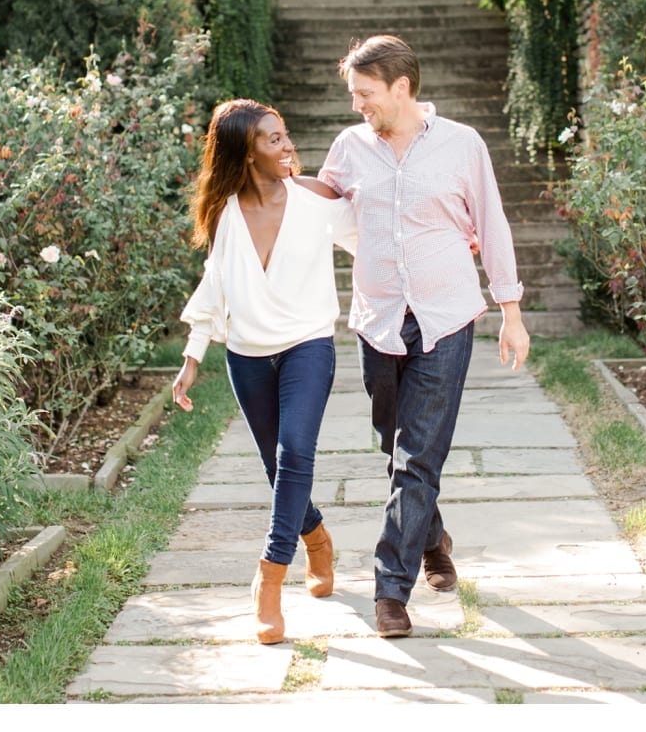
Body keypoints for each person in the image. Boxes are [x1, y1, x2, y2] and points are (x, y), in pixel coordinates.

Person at [319, 35, 530, 639]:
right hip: (378, 317)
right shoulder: (351, 146)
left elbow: (491, 224)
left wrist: (510, 311)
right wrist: (272, 183)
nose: (358, 105)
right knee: (394, 444)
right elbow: (325, 206)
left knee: (418, 455)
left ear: (401, 88)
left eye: (366, 94)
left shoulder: (462, 144)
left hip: (446, 316)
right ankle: (432, 535)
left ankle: (391, 588)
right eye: (353, 95)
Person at [170, 99, 357, 645]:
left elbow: (374, 241)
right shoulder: (225, 211)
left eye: (285, 134)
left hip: (309, 343)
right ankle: (317, 539)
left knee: (295, 452)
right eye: (272, 139)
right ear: (245, 153)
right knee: (278, 470)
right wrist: (191, 357)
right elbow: (215, 283)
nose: (287, 145)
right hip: (248, 354)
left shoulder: (315, 200)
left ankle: (269, 577)